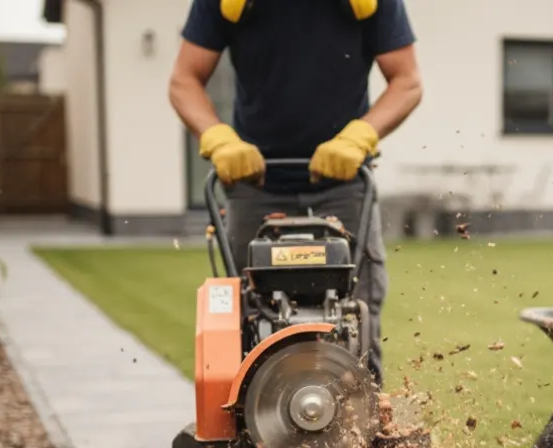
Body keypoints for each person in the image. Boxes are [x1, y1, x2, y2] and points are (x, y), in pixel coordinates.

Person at [168, 0, 423, 386]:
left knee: (358, 319)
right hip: (256, 184)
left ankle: (367, 431)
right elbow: (184, 80)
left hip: (344, 182)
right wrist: (219, 139)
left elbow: (407, 81)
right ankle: (250, 431)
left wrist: (360, 136)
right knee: (245, 317)